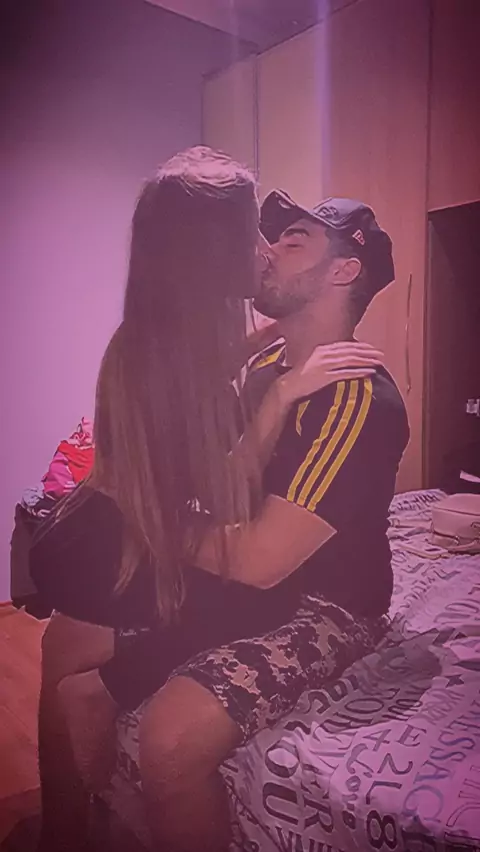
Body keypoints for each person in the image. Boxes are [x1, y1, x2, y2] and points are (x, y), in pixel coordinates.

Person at [31, 148, 382, 852]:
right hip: (123, 543)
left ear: (344, 270)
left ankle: (67, 824)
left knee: (72, 656)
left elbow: (247, 545)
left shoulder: (206, 340)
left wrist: (278, 347)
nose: (266, 249)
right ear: (209, 255)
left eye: (289, 240)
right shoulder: (179, 356)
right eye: (258, 235)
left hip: (154, 542)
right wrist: (276, 395)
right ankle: (67, 830)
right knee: (69, 649)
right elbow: (223, 506)